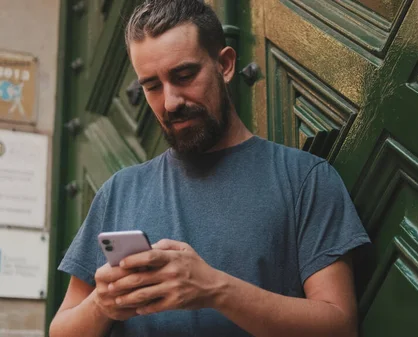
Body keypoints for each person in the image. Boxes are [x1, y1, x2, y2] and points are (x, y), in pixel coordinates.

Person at [49, 1, 370, 336]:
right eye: (152, 86)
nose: (170, 101)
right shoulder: (119, 191)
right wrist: (103, 303)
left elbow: (339, 325)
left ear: (226, 65)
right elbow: (61, 330)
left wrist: (214, 289)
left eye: (184, 75)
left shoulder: (305, 179)